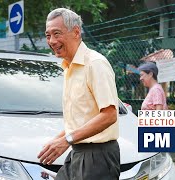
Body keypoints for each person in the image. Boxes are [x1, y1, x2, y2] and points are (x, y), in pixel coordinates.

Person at [37, 8, 120, 180]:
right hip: (78, 152)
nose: (52, 41)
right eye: (48, 35)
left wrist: (66, 140)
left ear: (76, 32)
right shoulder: (69, 67)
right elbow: (83, 118)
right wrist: (58, 140)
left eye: (56, 33)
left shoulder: (95, 64)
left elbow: (110, 114)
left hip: (97, 157)